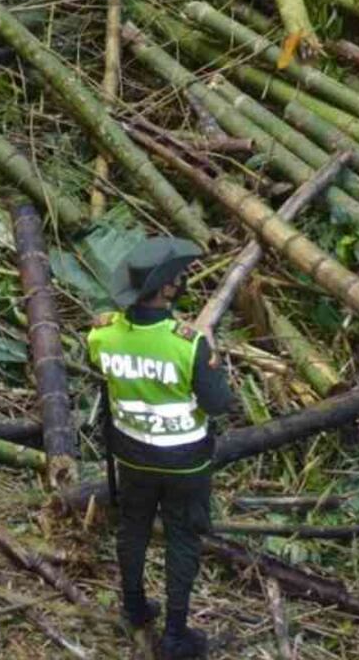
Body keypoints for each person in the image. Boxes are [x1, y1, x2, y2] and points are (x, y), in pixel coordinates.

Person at [86, 237, 235, 659]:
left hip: (131, 453)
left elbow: (102, 369)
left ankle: (133, 606)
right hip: (185, 462)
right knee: (182, 538)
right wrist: (214, 362)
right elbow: (218, 405)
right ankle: (174, 635)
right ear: (167, 289)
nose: (182, 281)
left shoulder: (101, 335)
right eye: (177, 278)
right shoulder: (187, 344)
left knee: (132, 526)